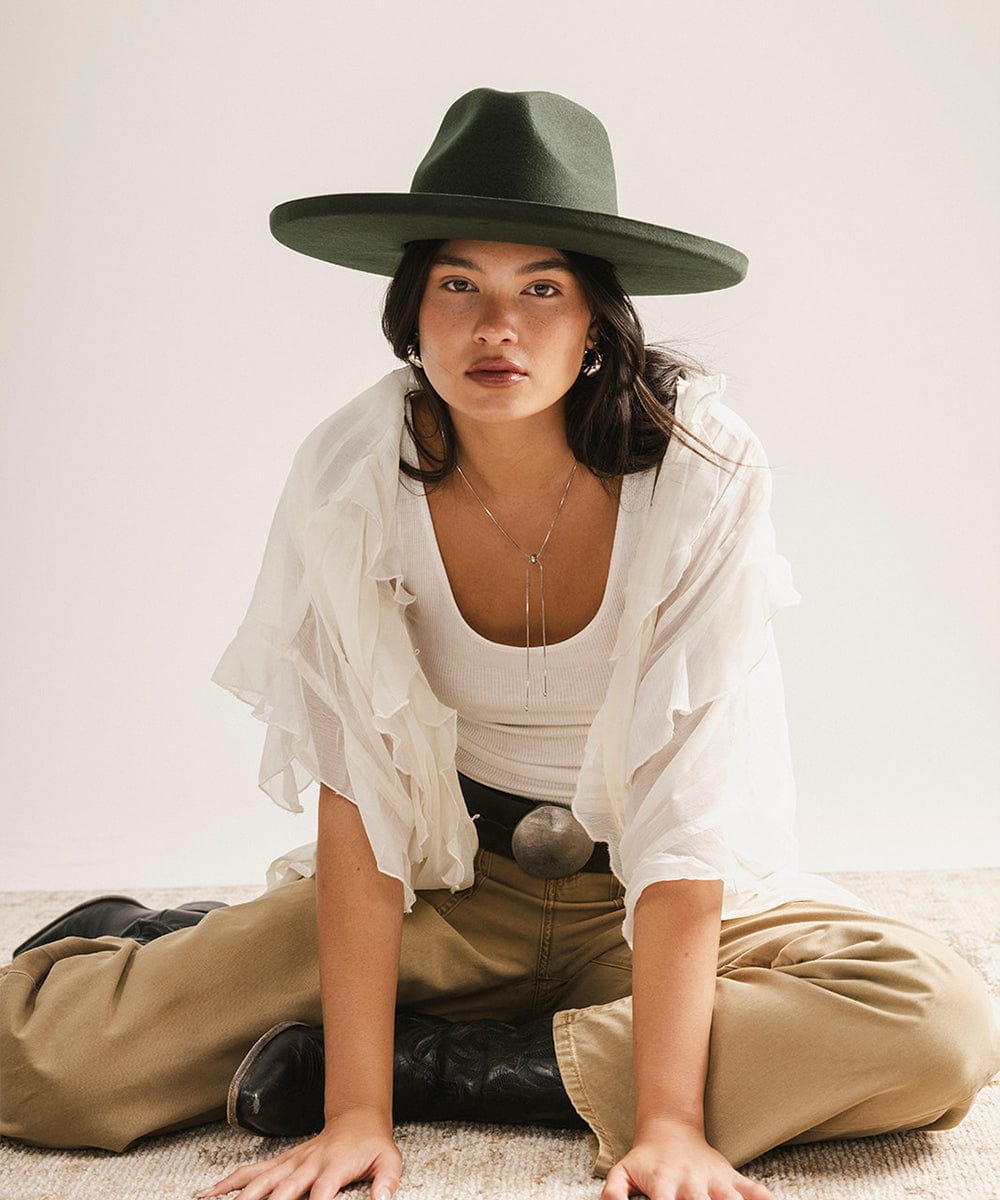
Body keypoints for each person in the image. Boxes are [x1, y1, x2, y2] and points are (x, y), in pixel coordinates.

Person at [1, 88, 997, 1200]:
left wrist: (670, 1122)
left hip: (656, 901)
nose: (497, 329)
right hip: (447, 885)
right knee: (46, 1072)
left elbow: (685, 804)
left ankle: (460, 1063)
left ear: (595, 319)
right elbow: (362, 795)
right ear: (409, 314)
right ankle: (166, 944)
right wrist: (351, 1120)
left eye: (542, 290)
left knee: (935, 1027)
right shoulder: (351, 477)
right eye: (457, 286)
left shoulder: (700, 472)